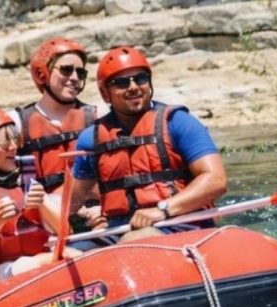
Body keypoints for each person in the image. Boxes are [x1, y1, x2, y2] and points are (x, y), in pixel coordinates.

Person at [69, 45, 228, 241]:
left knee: (134, 239)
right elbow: (72, 202)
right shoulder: (91, 139)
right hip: (118, 231)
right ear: (105, 93)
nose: (134, 86)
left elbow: (216, 180)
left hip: (178, 225)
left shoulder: (177, 122)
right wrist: (84, 213)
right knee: (68, 255)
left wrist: (162, 209)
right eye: (121, 82)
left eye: (141, 78)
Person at [0, 107, 77, 279]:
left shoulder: (26, 182)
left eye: (16, 139)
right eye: (4, 143)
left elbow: (65, 231)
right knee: (35, 263)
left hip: (39, 260)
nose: (13, 147)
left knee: (76, 256)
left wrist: (43, 203)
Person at [16, 37, 98, 194]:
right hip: (43, 215)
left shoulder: (97, 118)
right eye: (66, 70)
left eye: (81, 73)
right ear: (42, 73)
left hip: (92, 213)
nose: (74, 78)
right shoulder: (17, 123)